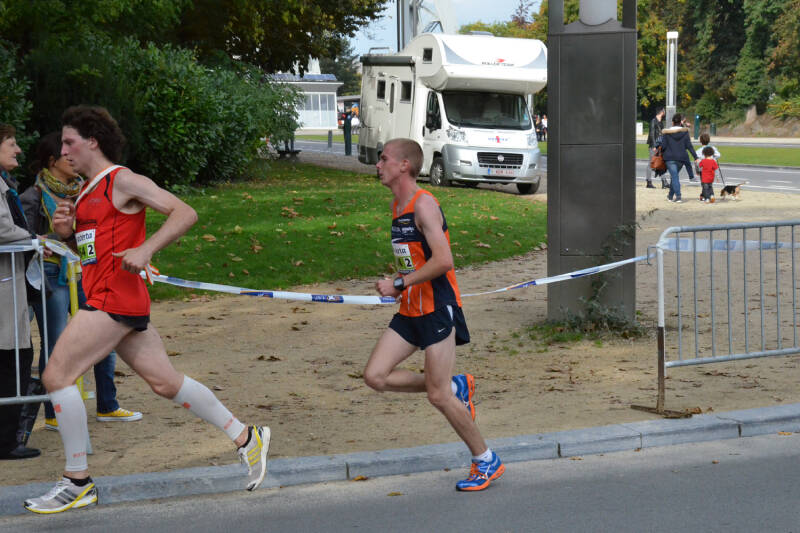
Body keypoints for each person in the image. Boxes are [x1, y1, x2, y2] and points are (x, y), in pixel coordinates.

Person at [23, 106, 269, 514]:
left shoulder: (122, 180)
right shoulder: (85, 192)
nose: (63, 149)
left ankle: (76, 480)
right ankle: (247, 436)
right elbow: (92, 254)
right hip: (111, 297)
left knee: (56, 374)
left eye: (69, 141)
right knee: (165, 383)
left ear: (92, 142)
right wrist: (66, 236)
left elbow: (185, 212)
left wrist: (147, 248)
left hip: (113, 301)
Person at [364, 138, 504, 492]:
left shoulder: (424, 205)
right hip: (411, 309)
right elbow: (415, 258)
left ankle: (486, 460)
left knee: (438, 396)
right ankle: (456, 386)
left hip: (438, 308)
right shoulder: (398, 206)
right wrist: (402, 283)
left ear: (404, 166)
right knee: (376, 376)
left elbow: (444, 261)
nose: (378, 165)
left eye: (384, 159)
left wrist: (398, 281)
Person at [21, 132, 143, 431]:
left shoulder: (85, 190)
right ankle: (53, 412)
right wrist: (55, 239)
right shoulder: (33, 196)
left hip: (85, 273)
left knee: (105, 336)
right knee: (57, 342)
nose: (71, 157)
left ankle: (107, 405)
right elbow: (25, 239)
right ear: (52, 162)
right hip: (52, 276)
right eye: (64, 154)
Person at [0, 124, 42, 461]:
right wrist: (35, 241)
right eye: (12, 144)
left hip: (11, 284)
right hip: (4, 287)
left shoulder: (6, 185)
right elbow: (3, 229)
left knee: (17, 356)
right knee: (12, 359)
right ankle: (5, 440)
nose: (18, 151)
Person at [659, 113, 700, 203]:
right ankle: (670, 196)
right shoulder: (685, 132)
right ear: (680, 122)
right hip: (681, 158)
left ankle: (678, 196)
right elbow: (689, 146)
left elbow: (664, 146)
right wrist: (695, 157)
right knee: (674, 177)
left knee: (674, 177)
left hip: (669, 158)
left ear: (673, 122)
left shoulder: (666, 133)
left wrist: (660, 151)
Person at [646, 107, 667, 189]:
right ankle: (648, 182)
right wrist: (654, 146)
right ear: (661, 112)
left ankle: (664, 182)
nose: (664, 112)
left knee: (660, 163)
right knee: (651, 163)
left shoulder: (661, 122)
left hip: (659, 145)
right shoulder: (653, 121)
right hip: (653, 146)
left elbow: (662, 134)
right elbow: (651, 134)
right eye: (664, 110)